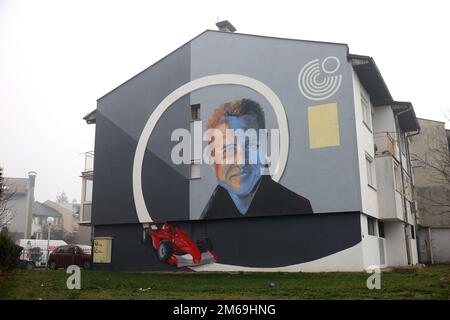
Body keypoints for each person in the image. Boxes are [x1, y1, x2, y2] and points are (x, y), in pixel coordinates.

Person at [200, 98, 313, 220]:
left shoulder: (297, 208)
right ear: (212, 157)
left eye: (251, 146)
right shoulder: (206, 217)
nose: (241, 161)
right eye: (229, 149)